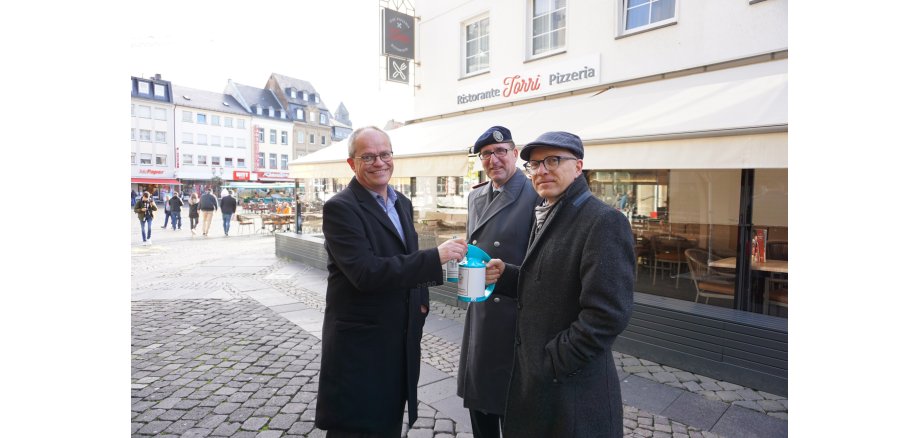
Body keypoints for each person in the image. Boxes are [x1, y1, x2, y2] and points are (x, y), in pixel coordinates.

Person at [316, 126, 467, 437]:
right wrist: (434, 257)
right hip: (362, 347)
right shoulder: (340, 208)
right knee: (357, 426)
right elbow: (366, 273)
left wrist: (421, 305)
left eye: (385, 154)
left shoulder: (401, 202)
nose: (379, 162)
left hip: (399, 340)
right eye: (368, 156)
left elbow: (404, 256)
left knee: (387, 422)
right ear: (351, 163)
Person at [484, 131, 634, 437]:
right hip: (542, 390)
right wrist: (507, 275)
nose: (542, 170)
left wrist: (551, 361)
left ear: (578, 167)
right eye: (535, 164)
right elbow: (552, 281)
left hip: (572, 395)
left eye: (553, 160)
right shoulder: (549, 211)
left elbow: (607, 316)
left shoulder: (602, 220)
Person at [456, 126, 539, 438]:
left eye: (501, 151)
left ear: (515, 154)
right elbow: (473, 247)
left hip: (514, 318)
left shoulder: (535, 195)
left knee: (513, 410)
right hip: (480, 311)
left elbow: (543, 264)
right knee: (480, 407)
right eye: (487, 154)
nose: (494, 159)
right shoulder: (476, 195)